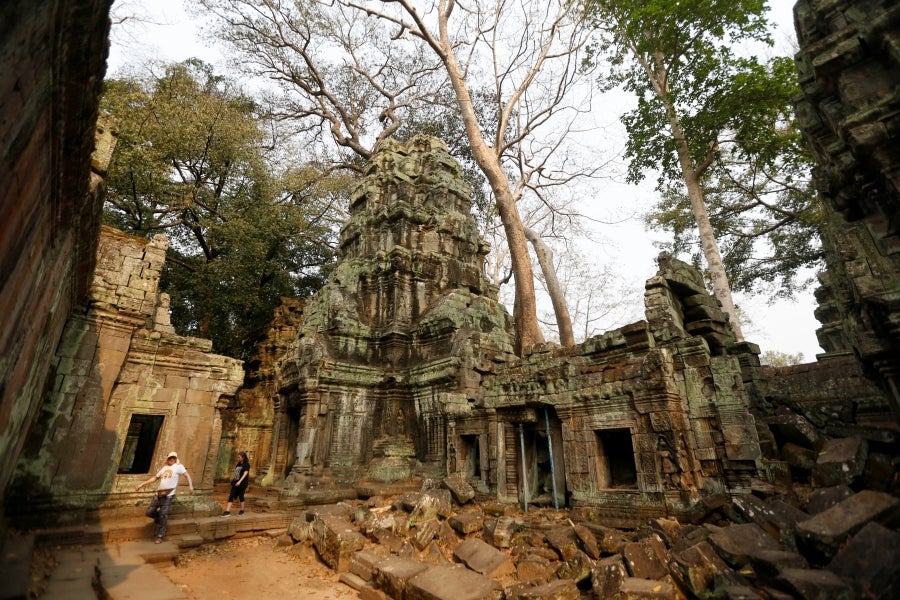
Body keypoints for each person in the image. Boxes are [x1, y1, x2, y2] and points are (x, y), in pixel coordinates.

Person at [135, 451, 193, 543]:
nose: (172, 459)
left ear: (176, 459)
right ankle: (161, 520)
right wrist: (142, 484)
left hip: (168, 496)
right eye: (170, 458)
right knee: (149, 512)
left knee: (163, 514)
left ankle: (160, 536)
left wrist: (190, 486)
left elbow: (187, 476)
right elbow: (155, 478)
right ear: (167, 459)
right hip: (158, 494)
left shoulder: (178, 467)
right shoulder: (164, 468)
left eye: (173, 458)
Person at [221, 451, 250, 517]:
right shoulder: (239, 464)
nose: (238, 458)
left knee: (241, 496)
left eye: (239, 457)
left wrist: (240, 481)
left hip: (242, 483)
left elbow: (245, 473)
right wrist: (234, 480)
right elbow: (236, 473)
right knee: (231, 495)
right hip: (236, 482)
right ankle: (227, 511)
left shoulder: (246, 464)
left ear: (243, 457)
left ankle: (242, 510)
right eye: (238, 457)